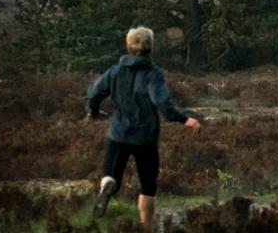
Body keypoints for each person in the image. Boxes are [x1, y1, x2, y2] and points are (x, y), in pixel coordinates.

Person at [86, 27, 201, 225]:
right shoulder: (153, 74)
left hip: (118, 134)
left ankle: (108, 186)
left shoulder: (114, 71)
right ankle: (145, 225)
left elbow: (94, 94)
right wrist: (184, 119)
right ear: (150, 47)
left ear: (128, 45)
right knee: (148, 183)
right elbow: (162, 103)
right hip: (145, 137)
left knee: (111, 174)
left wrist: (92, 111)